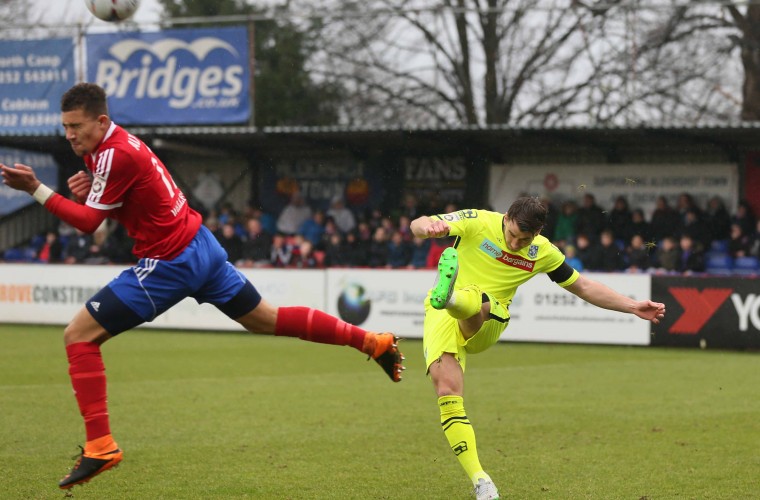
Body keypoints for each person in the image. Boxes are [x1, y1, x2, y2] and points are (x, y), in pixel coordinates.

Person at [0, 82, 404, 491]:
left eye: (76, 126)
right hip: (200, 246)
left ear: (101, 121)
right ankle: (372, 342)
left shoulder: (112, 155)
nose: (70, 135)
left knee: (78, 336)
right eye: (65, 126)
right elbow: (131, 207)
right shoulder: (119, 146)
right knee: (267, 319)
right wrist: (97, 196)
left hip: (171, 262)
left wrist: (35, 187)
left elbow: (89, 223)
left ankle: (101, 445)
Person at [409, 197, 665, 500]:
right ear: (506, 218)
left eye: (524, 239)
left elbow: (582, 287)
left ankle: (452, 297)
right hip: (440, 315)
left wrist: (633, 305)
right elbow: (417, 224)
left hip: (491, 315)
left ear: (539, 232)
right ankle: (482, 482)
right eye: (512, 234)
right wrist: (429, 226)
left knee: (478, 299)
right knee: (448, 392)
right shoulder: (478, 221)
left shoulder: (543, 252)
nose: (516, 243)